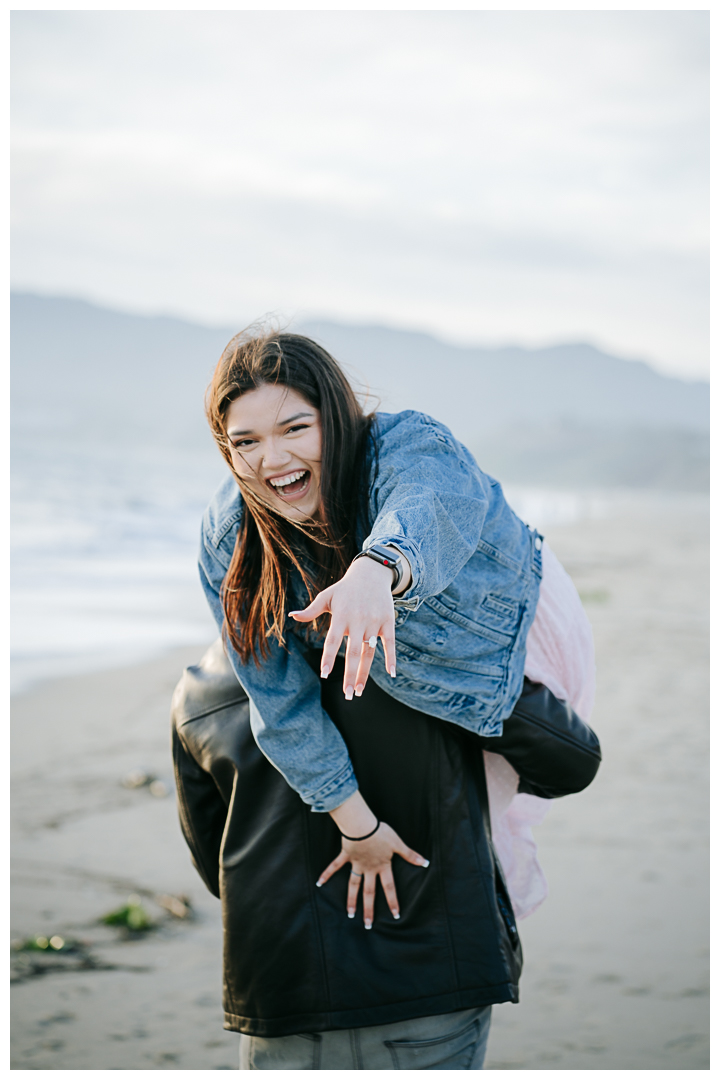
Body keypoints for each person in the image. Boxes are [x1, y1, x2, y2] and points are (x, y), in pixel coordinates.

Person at [182, 327, 600, 1068]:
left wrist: (381, 569)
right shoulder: (230, 536)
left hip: (482, 632)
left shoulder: (405, 443)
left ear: (334, 418)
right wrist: (357, 825)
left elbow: (429, 505)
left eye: (293, 429)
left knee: (526, 784)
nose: (271, 458)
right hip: (358, 636)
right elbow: (279, 705)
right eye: (244, 441)